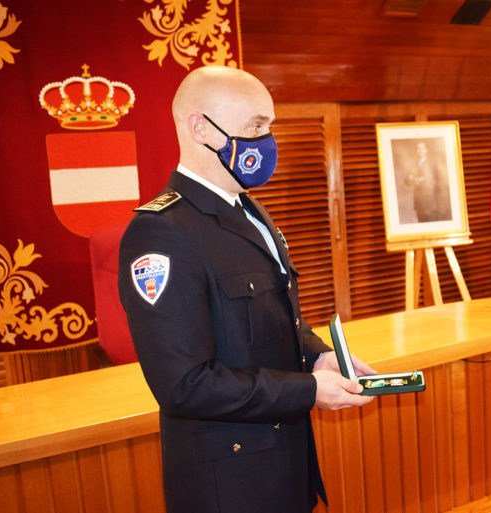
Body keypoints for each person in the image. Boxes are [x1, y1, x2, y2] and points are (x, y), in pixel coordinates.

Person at [118, 65, 374, 513]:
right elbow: (185, 384)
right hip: (230, 484)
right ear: (200, 128)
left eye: (269, 126)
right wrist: (308, 391)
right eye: (255, 126)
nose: (266, 141)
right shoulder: (161, 233)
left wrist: (317, 354)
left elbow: (273, 317)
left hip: (283, 466)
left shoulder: (250, 210)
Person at [404, 141, 447, 222]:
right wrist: (416, 180)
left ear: (426, 150)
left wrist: (425, 181)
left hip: (431, 203)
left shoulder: (433, 163)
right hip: (419, 203)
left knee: (433, 228)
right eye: (418, 148)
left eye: (422, 148)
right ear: (416, 150)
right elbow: (407, 181)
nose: (420, 150)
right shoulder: (414, 164)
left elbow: (440, 180)